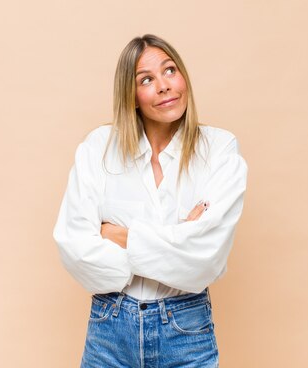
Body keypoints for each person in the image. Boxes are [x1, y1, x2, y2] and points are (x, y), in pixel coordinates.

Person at [52, 34, 247, 367]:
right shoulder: (98, 148)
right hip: (109, 330)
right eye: (147, 79)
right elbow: (73, 247)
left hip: (186, 333)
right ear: (132, 97)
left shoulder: (220, 150)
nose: (164, 86)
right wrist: (178, 239)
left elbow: (204, 260)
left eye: (170, 71)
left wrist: (118, 236)